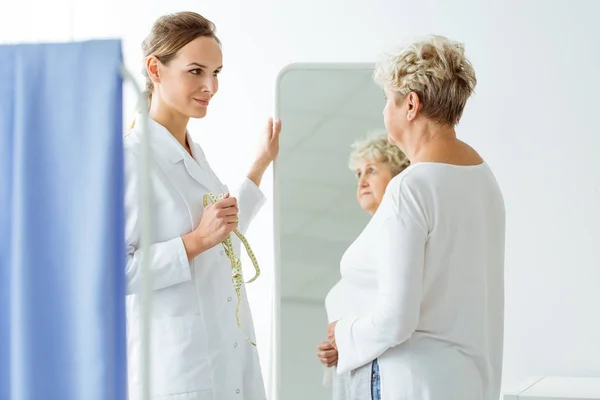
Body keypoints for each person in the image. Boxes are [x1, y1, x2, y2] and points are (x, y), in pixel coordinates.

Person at [325, 35, 506, 400]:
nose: (384, 112)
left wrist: (344, 334)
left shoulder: (411, 187)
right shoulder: (484, 179)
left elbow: (397, 318)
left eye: (386, 101)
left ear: (411, 104)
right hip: (469, 383)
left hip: (408, 383)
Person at [123, 12, 280, 400]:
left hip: (228, 360)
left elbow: (221, 229)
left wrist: (258, 166)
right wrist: (194, 242)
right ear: (154, 70)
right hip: (176, 371)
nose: (210, 86)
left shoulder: (195, 154)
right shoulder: (129, 158)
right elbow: (112, 273)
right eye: (196, 71)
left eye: (217, 72)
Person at [316, 132, 410, 399]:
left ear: (397, 173)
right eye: (358, 174)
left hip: (385, 377)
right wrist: (336, 349)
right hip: (355, 381)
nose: (362, 181)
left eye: (371, 170)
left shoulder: (399, 232)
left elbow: (393, 311)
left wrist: (346, 337)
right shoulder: (363, 248)